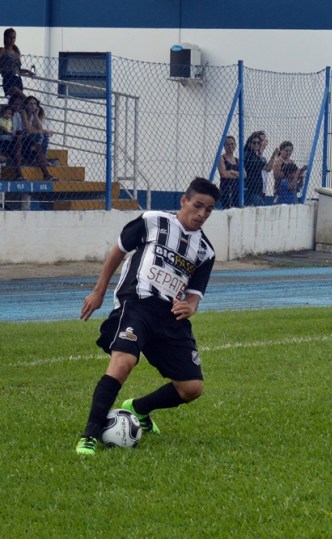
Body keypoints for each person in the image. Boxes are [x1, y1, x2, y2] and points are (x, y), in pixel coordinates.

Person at [75, 177, 221, 456]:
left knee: (192, 388)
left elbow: (194, 293)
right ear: (184, 201)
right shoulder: (153, 220)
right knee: (123, 362)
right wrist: (99, 291)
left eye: (209, 210)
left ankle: (138, 409)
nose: (202, 214)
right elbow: (119, 249)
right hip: (137, 304)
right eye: (198, 206)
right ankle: (90, 435)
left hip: (170, 317)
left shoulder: (205, 251)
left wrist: (191, 306)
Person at [20, 95, 56, 181]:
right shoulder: (23, 113)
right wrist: (43, 131)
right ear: (26, 105)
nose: (33, 106)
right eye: (30, 104)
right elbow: (29, 130)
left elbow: (39, 128)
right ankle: (42, 161)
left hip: (33, 138)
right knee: (42, 134)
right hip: (23, 137)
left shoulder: (35, 114)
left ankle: (41, 158)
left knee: (45, 136)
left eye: (35, 104)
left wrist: (35, 115)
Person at [0, 28, 33, 99]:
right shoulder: (2, 50)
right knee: (17, 94)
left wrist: (27, 71)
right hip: (8, 78)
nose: (12, 40)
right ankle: (29, 101)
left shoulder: (16, 53)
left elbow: (18, 69)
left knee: (16, 101)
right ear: (5, 37)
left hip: (17, 79)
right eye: (10, 37)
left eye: (14, 37)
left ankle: (28, 102)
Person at [272, 140, 308, 205]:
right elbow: (277, 177)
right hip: (281, 190)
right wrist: (292, 173)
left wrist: (301, 171)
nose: (288, 153)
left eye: (290, 151)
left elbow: (295, 173)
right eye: (286, 150)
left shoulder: (291, 161)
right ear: (281, 150)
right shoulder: (278, 161)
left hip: (291, 188)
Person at [242, 131, 271, 206]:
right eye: (254, 143)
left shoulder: (256, 156)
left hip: (258, 190)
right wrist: (274, 154)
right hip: (251, 190)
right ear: (249, 143)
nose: (257, 144)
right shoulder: (249, 156)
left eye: (259, 142)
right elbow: (268, 168)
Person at [217, 135, 240, 209]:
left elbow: (244, 174)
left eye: (232, 144)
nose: (230, 146)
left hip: (236, 191)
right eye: (227, 144)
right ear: (224, 146)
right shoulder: (221, 158)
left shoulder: (237, 160)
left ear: (235, 145)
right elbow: (223, 174)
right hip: (226, 190)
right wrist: (237, 175)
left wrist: (232, 172)